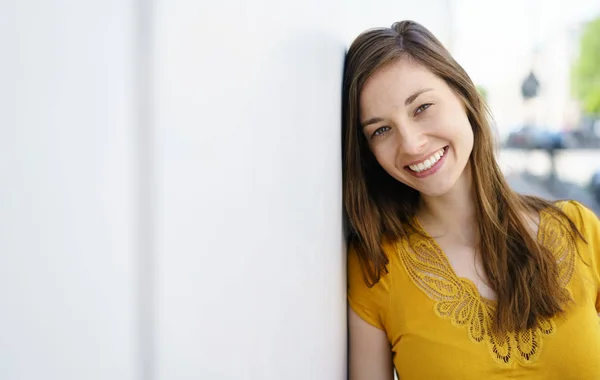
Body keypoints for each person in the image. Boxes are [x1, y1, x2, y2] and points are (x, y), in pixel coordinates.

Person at [342, 20, 600, 380]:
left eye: (421, 108)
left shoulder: (581, 230)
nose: (411, 144)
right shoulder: (375, 268)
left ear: (464, 96)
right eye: (381, 130)